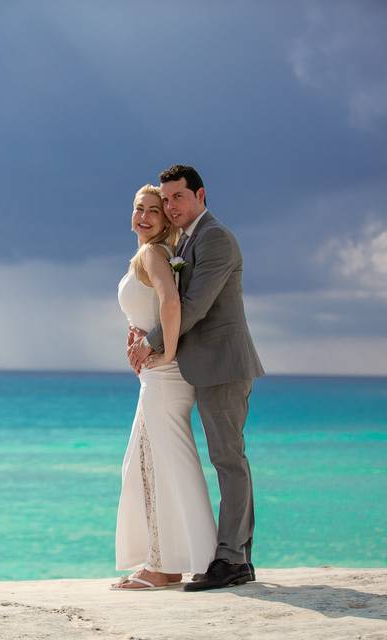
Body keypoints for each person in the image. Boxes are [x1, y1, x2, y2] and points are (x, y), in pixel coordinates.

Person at [128, 165, 264, 591]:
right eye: (165, 200)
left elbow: (195, 303)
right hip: (200, 366)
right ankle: (234, 556)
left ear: (200, 195)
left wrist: (151, 343)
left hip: (224, 365)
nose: (170, 207)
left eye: (177, 198)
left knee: (228, 459)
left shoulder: (215, 238)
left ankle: (232, 560)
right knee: (225, 458)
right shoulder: (185, 241)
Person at [110, 184, 219, 591]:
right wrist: (137, 334)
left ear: (166, 217)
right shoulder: (153, 254)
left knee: (162, 466)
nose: (144, 216)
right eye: (139, 208)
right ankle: (165, 560)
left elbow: (171, 303)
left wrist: (166, 351)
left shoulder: (154, 253)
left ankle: (175, 563)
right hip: (157, 375)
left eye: (154, 210)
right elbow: (154, 308)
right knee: (145, 465)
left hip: (164, 375)